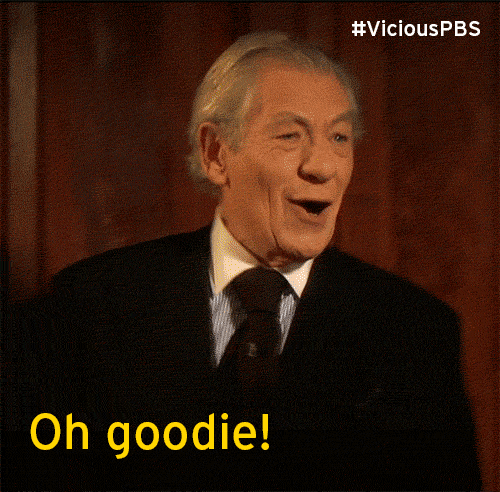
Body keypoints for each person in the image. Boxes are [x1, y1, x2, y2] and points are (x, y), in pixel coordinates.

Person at [5, 31, 481, 490]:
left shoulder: (416, 331)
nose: (323, 167)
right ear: (216, 153)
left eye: (339, 137)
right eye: (290, 135)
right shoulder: (89, 306)